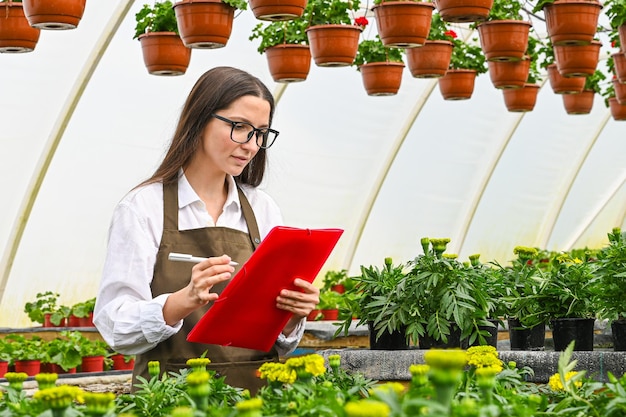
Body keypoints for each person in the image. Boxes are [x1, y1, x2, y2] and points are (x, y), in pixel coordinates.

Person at [93, 66, 320, 393]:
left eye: (260, 133)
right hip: (171, 400)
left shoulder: (263, 209)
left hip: (256, 399)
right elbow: (115, 325)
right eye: (240, 127)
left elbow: (281, 344)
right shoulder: (143, 207)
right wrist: (180, 302)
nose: (252, 145)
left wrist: (294, 314)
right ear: (199, 119)